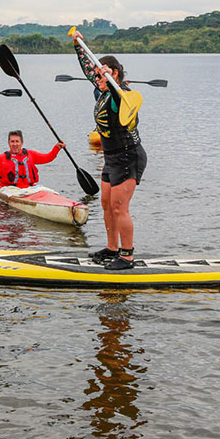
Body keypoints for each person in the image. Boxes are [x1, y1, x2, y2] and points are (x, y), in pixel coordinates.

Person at [74, 40, 147, 270]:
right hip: (111, 157)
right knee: (106, 204)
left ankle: (127, 256)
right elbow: (89, 71)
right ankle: (112, 248)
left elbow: (118, 97)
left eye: (101, 76)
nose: (96, 80)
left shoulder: (120, 96)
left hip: (128, 156)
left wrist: (113, 81)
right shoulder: (102, 91)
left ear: (113, 73)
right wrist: (79, 45)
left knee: (119, 207)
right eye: (97, 76)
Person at [0, 130, 64, 188]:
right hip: (9, 190)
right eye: (12, 141)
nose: (15, 144)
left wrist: (57, 148)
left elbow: (47, 158)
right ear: (9, 143)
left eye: (17, 141)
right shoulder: (2, 158)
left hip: (30, 189)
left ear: (22, 143)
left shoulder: (30, 154)